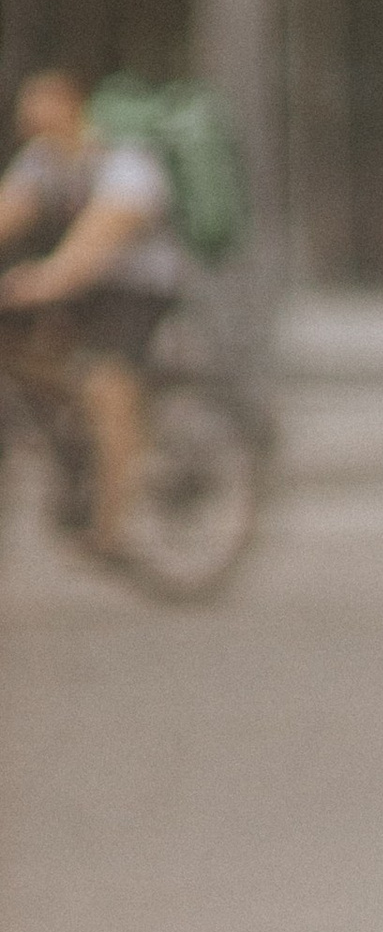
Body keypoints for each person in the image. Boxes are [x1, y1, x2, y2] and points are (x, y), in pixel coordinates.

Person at [0, 67, 183, 567]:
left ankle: (113, 522)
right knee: (20, 353)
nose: (26, 115)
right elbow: (8, 211)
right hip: (81, 286)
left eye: (39, 102)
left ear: (71, 102)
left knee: (105, 382)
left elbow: (97, 240)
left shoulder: (126, 161)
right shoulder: (43, 161)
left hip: (138, 286)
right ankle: (72, 432)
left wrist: (46, 279)